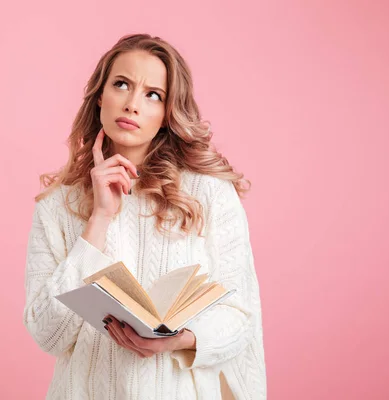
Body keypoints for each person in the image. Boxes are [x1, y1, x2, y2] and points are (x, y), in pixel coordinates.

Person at [23, 33, 267, 399]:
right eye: (122, 84)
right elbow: (48, 333)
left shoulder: (208, 195)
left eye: (153, 94)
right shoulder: (57, 206)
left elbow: (241, 315)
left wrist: (176, 341)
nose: (133, 104)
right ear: (100, 96)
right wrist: (99, 220)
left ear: (168, 113)